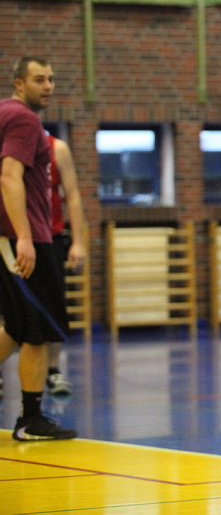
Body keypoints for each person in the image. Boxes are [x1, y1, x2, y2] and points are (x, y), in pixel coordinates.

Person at [0, 56, 76, 441]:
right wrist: (24, 237)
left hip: (15, 236)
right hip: (22, 237)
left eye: (50, 79)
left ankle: (31, 418)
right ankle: (30, 420)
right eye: (38, 80)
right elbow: (9, 176)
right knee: (37, 330)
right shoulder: (23, 119)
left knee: (17, 327)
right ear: (18, 83)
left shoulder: (5, 114)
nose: (48, 86)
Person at [43, 135, 89, 396]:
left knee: (53, 305)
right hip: (10, 238)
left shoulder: (56, 148)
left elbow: (72, 195)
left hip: (50, 238)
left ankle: (52, 369)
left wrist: (78, 242)